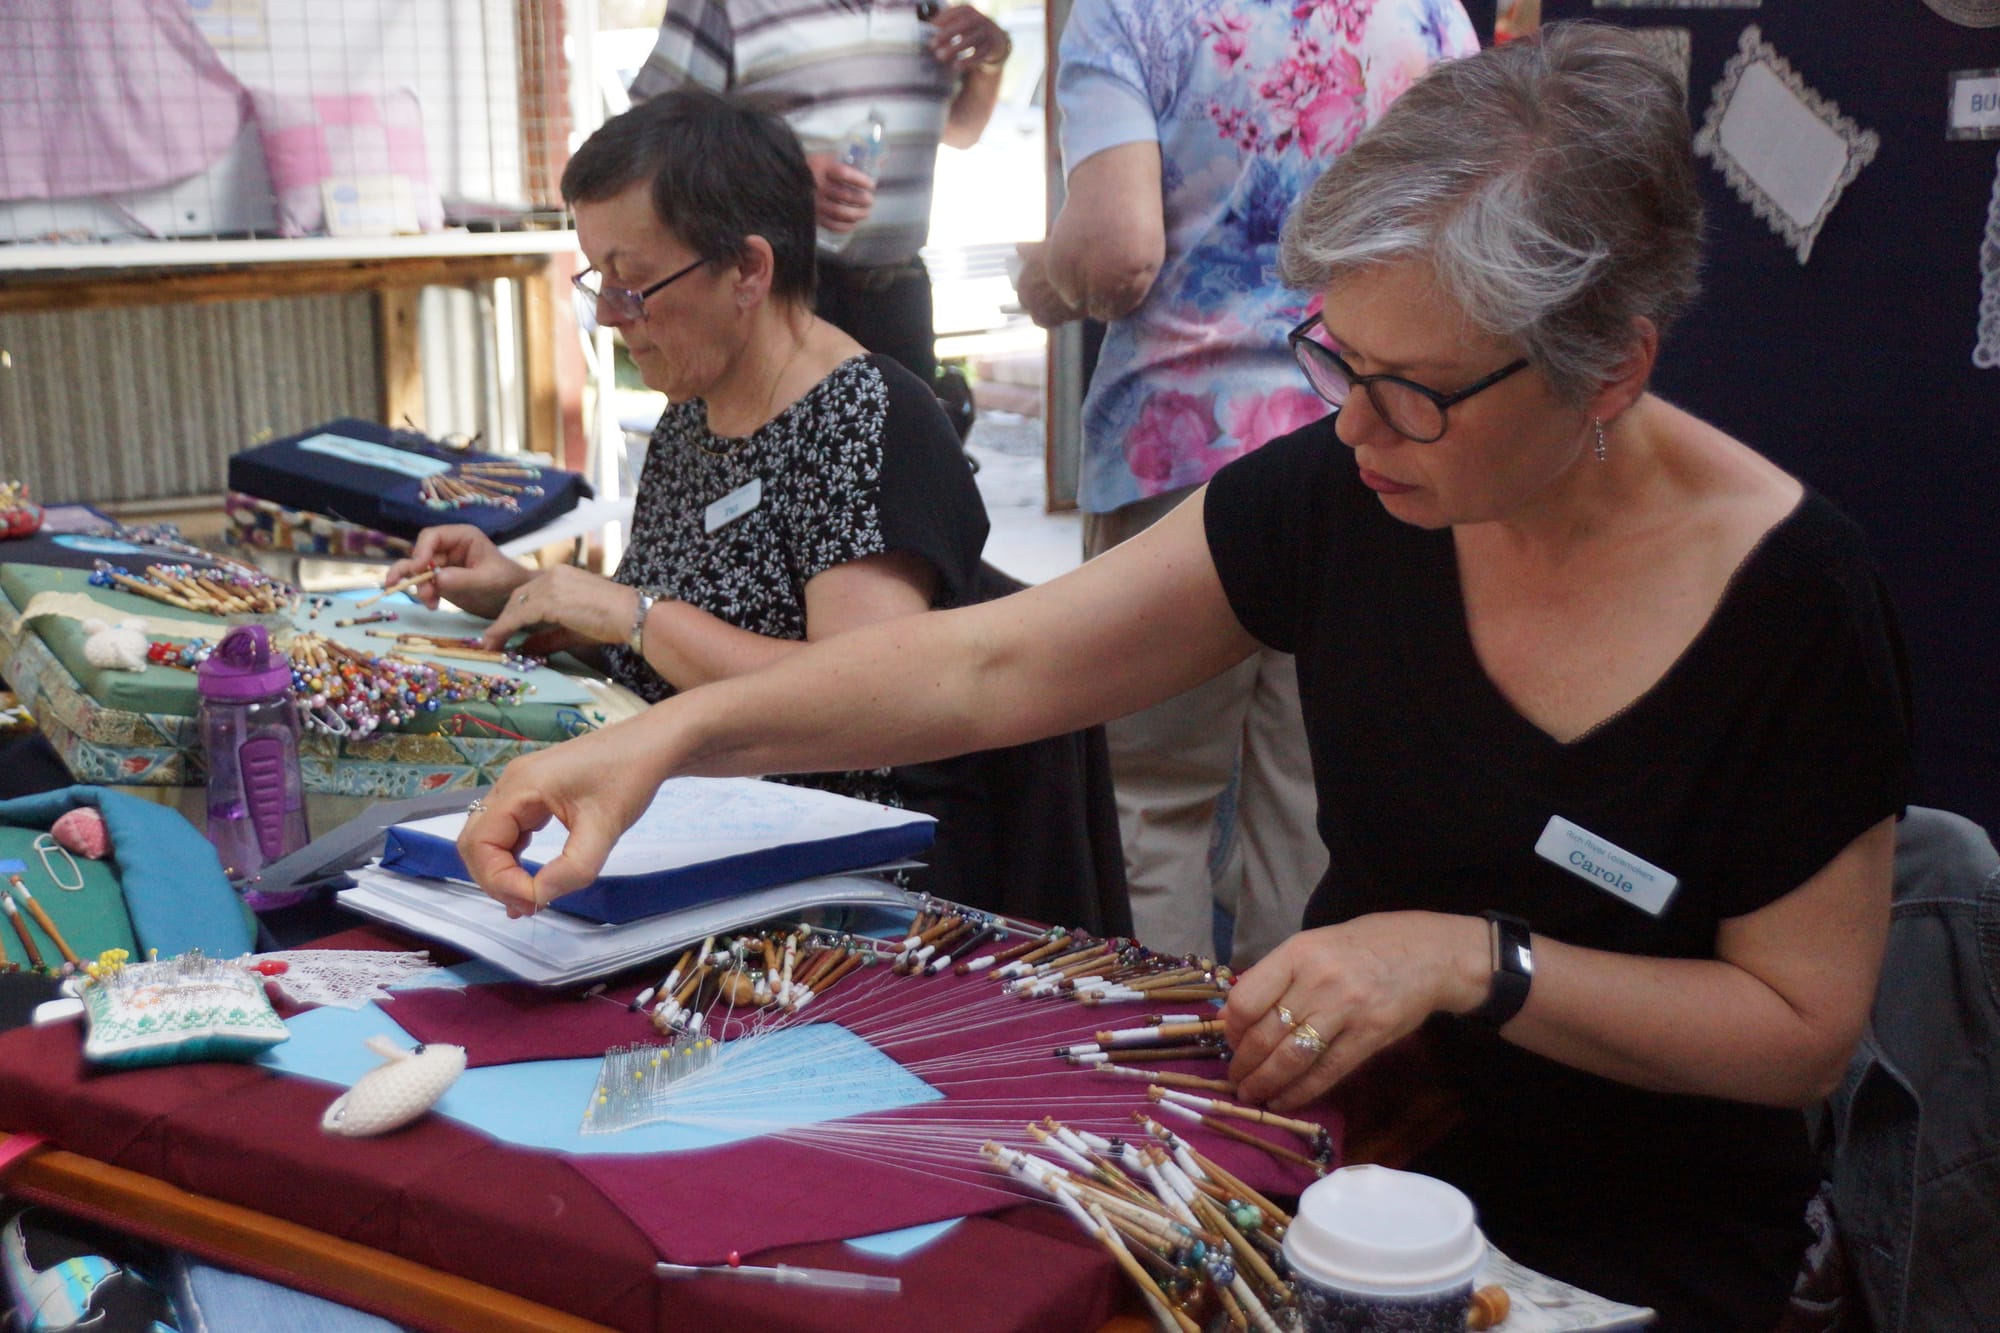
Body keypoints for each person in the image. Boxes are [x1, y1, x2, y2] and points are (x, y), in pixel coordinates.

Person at [457, 28, 1912, 1330]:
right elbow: (990, 663)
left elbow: (1795, 1033)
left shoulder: (1792, 605)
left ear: (1609, 370)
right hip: (1339, 1159)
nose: (1353, 424)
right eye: (1339, 357)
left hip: (1636, 1244)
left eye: (1414, 388)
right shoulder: (1355, 489)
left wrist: (1473, 959)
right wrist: (671, 737)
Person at [1012, 0, 1477, 967]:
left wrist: (1048, 280)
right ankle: (1295, 1078)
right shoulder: (1428, 15)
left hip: (1182, 447)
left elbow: (1116, 253)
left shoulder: (1130, 14)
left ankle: (1166, 1079)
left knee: (1151, 796)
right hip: (1376, 441)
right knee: (1318, 802)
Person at [380, 86, 989, 820]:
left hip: (819, 849)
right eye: (598, 279)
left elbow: (866, 698)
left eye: (632, 284)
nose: (608, 312)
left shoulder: (866, 418)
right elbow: (675, 627)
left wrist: (631, 611)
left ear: (748, 272)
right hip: (679, 798)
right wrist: (523, 593)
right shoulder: (697, 407)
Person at [627, 0, 1016, 386]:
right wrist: (781, 177)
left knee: (897, 447)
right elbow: (651, 142)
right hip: (775, 300)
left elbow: (961, 129)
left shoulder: (929, 6)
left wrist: (991, 60)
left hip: (899, 295)